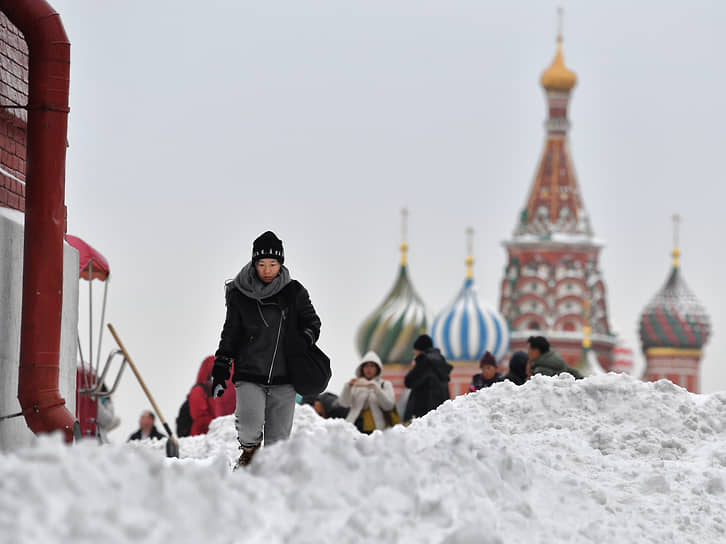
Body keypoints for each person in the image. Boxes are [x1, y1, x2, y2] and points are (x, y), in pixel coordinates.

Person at [212, 231, 321, 467]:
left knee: (278, 444)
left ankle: (270, 487)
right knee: (250, 424)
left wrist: (304, 339)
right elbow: (230, 333)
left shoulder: (295, 292)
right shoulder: (239, 294)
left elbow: (313, 324)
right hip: (250, 373)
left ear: (281, 264)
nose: (268, 270)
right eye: (262, 264)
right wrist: (220, 367)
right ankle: (249, 454)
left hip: (285, 376)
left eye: (273, 264)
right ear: (254, 263)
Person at [338, 351, 396, 433]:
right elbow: (344, 403)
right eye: (366, 366)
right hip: (355, 428)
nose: (369, 369)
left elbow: (389, 406)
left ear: (377, 368)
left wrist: (376, 389)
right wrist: (348, 387)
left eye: (372, 366)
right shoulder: (357, 384)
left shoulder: (385, 384)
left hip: (377, 430)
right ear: (362, 368)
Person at [403, 334, 453, 422]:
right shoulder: (440, 361)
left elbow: (409, 382)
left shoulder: (424, 361)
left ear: (419, 350)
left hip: (423, 414)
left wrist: (415, 366)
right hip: (440, 413)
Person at [188, 356, 215, 436]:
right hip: (202, 437)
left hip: (217, 437)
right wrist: (219, 426)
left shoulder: (220, 393)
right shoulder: (199, 390)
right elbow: (200, 417)